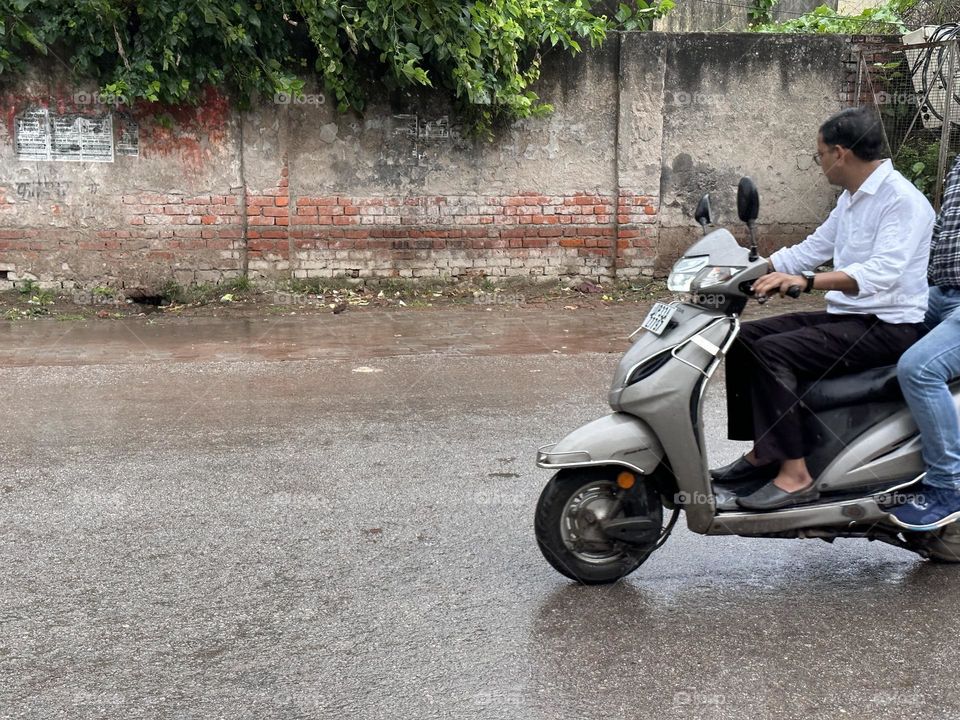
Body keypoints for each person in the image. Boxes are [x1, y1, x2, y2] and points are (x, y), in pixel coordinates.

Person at [711, 106, 936, 511]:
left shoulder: (901, 200)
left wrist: (807, 282)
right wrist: (741, 273)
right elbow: (810, 249)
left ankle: (795, 475)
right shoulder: (852, 199)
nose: (820, 165)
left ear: (840, 153)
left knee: (772, 352)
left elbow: (882, 273)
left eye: (819, 155)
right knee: (744, 338)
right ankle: (766, 451)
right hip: (851, 318)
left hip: (887, 326)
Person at [891, 153, 960, 528]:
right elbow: (943, 233)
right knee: (870, 323)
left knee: (919, 369)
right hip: (941, 291)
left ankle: (949, 484)